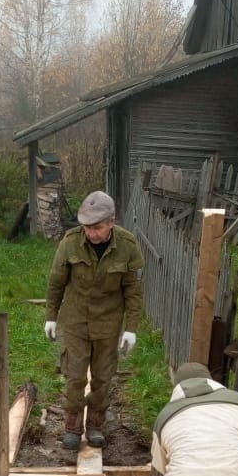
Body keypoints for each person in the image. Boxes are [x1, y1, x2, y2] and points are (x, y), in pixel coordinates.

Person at [44, 190, 143, 449]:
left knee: (102, 377)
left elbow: (132, 290)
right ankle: (72, 427)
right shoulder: (70, 243)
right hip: (75, 320)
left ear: (112, 222)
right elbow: (56, 282)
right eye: (87, 227)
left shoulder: (127, 246)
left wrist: (131, 328)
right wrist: (51, 317)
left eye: (97, 227)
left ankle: (96, 424)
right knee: (75, 376)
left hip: (108, 324)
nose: (91, 233)